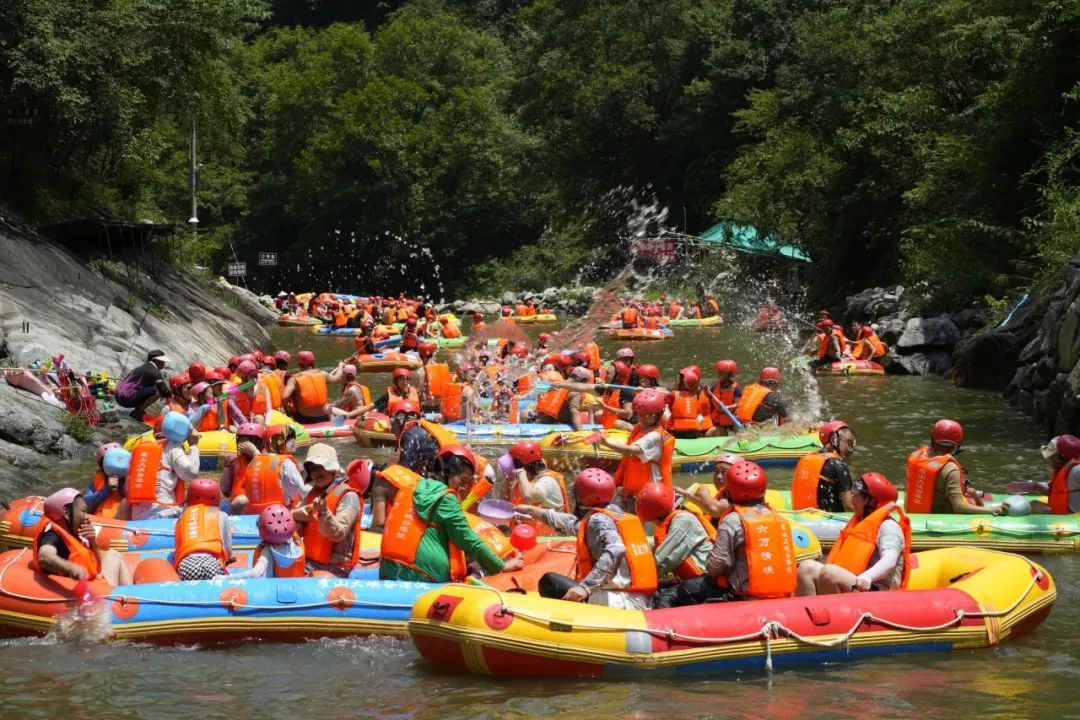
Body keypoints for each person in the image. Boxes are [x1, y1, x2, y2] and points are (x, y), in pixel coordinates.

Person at [380, 445, 524, 582]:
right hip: (422, 574)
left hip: (388, 568)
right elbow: (466, 538)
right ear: (446, 471)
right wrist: (501, 566)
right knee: (477, 565)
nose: (463, 487)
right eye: (463, 480)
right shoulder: (446, 498)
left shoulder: (410, 488)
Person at [662, 461, 797, 606]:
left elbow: (715, 566)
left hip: (744, 596)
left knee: (684, 589)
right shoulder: (778, 518)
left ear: (730, 490)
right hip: (782, 593)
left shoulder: (732, 520)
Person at [518, 468, 656, 609]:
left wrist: (585, 587)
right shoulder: (614, 513)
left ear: (580, 497)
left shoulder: (598, 520)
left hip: (624, 600)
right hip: (638, 597)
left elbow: (616, 549)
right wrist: (529, 510)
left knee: (549, 582)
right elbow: (570, 523)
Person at [797, 472, 911, 595]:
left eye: (856, 496)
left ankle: (834, 612)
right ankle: (809, 612)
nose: (851, 499)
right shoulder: (860, 522)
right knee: (806, 568)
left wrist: (868, 576)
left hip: (877, 589)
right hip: (854, 581)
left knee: (829, 572)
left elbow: (889, 561)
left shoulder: (889, 527)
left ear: (870, 501)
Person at [593, 389, 674, 512]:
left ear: (658, 414)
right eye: (640, 413)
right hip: (633, 490)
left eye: (647, 414)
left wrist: (606, 442)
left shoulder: (654, 436)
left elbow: (631, 451)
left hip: (650, 493)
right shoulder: (640, 428)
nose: (642, 417)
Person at [637, 484, 717, 609]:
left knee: (662, 599)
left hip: (707, 581)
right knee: (660, 589)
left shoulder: (683, 520)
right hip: (695, 581)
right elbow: (650, 544)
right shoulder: (674, 520)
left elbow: (663, 560)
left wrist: (630, 580)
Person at [33, 488, 133, 586]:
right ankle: (130, 598)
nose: (87, 517)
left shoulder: (72, 533)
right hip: (88, 591)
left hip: (93, 583)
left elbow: (98, 568)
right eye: (83, 511)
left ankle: (131, 595)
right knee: (113, 556)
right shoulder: (53, 536)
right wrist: (71, 568)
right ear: (66, 512)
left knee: (113, 554)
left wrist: (92, 542)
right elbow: (44, 556)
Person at [905, 420, 1006, 515]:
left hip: (913, 512)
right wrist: (993, 510)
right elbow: (958, 507)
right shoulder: (950, 469)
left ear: (933, 439)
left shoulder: (916, 455)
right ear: (956, 445)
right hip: (939, 518)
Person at [292, 444, 363, 576]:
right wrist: (295, 515)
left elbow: (338, 534)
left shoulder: (349, 496)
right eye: (312, 469)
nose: (316, 473)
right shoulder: (312, 494)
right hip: (309, 561)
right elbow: (291, 526)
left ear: (332, 469)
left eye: (320, 467)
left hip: (335, 567)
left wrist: (324, 512)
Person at [123, 411, 201, 521]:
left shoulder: (137, 451)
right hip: (164, 514)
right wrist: (193, 445)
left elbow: (127, 490)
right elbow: (191, 474)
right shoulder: (172, 448)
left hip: (138, 517)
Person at [224, 424, 307, 515]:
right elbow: (225, 491)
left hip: (268, 510)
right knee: (240, 501)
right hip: (279, 511)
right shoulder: (285, 463)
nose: (293, 443)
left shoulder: (268, 460)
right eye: (289, 440)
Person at [173, 480, 234, 580]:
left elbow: (178, 546)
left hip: (187, 564)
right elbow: (227, 548)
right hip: (212, 562)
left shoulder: (182, 517)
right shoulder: (222, 515)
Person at [790, 420, 857, 512]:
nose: (851, 449)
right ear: (834, 440)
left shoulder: (807, 458)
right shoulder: (839, 464)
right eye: (848, 443)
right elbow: (849, 506)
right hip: (827, 522)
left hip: (801, 516)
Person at [230, 504, 307, 579]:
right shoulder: (297, 544)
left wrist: (225, 578)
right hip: (296, 585)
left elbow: (255, 573)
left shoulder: (267, 551)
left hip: (274, 588)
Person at [1009, 434, 1080, 514]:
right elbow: (1054, 489)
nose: (1049, 459)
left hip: (1072, 516)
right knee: (1034, 504)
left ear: (1062, 457)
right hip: (1064, 511)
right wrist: (1037, 486)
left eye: (1052, 455)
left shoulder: (1076, 470)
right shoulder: (1062, 468)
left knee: (1033, 506)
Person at [282, 351, 346, 423]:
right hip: (323, 416)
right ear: (312, 362)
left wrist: (285, 410)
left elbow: (285, 397)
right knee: (329, 408)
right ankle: (344, 418)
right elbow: (338, 378)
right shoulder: (322, 374)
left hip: (304, 418)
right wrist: (340, 366)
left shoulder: (293, 379)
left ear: (298, 364)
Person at [507, 441, 570, 514]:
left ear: (520, 467)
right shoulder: (523, 481)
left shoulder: (547, 481)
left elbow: (528, 497)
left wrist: (521, 473)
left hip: (549, 525)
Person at [114, 349, 172, 422]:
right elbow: (163, 390)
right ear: (156, 361)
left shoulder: (140, 368)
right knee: (157, 390)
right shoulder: (154, 372)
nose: (164, 364)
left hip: (117, 396)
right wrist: (173, 400)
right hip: (126, 400)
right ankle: (138, 411)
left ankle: (138, 409)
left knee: (151, 387)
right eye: (163, 361)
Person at [688, 453, 742, 523]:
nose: (718, 476)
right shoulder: (724, 494)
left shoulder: (737, 497)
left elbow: (716, 509)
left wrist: (703, 493)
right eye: (716, 471)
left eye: (724, 472)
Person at [665, 366, 713, 439]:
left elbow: (661, 403)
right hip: (694, 430)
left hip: (677, 430)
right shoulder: (694, 396)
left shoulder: (673, 394)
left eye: (679, 380)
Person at [85, 443, 125, 518]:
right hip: (99, 519)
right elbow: (86, 505)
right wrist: (106, 489)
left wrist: (121, 485)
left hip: (121, 518)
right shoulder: (99, 478)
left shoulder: (128, 477)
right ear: (102, 465)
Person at [704, 360, 742, 436]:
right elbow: (709, 396)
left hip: (732, 418)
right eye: (719, 372)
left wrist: (727, 408)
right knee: (714, 433)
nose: (719, 374)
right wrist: (706, 392)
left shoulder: (736, 388)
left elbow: (737, 404)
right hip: (720, 421)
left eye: (722, 372)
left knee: (739, 432)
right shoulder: (716, 386)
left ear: (729, 375)